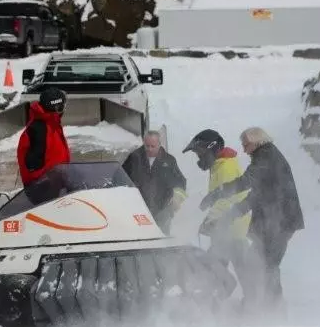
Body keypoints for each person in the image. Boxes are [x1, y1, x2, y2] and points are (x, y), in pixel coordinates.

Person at [199, 127, 304, 312]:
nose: (244, 149)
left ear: (256, 142)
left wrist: (217, 194)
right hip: (272, 220)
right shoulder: (265, 156)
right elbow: (256, 195)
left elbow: (245, 182)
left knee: (268, 265)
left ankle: (274, 309)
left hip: (281, 220)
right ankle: (256, 304)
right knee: (254, 262)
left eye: (245, 145)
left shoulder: (266, 157)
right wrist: (231, 215)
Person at [183, 129, 254, 302]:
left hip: (233, 228)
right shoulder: (218, 165)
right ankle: (219, 297)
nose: (199, 157)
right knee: (218, 263)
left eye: (199, 152)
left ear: (211, 148)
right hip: (226, 227)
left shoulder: (225, 166)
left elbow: (225, 200)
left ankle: (253, 304)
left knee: (223, 264)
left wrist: (211, 220)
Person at [121, 130, 187, 235]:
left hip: (163, 212)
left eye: (153, 146)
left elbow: (180, 183)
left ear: (159, 145)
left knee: (161, 241)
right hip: (139, 213)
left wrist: (177, 198)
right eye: (147, 146)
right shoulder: (134, 158)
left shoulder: (169, 161)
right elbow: (121, 178)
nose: (149, 149)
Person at [17, 87, 71, 202]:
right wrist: (49, 180)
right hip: (45, 192)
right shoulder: (39, 129)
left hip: (57, 186)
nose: (64, 109)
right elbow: (32, 166)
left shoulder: (51, 124)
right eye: (63, 106)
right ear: (56, 107)